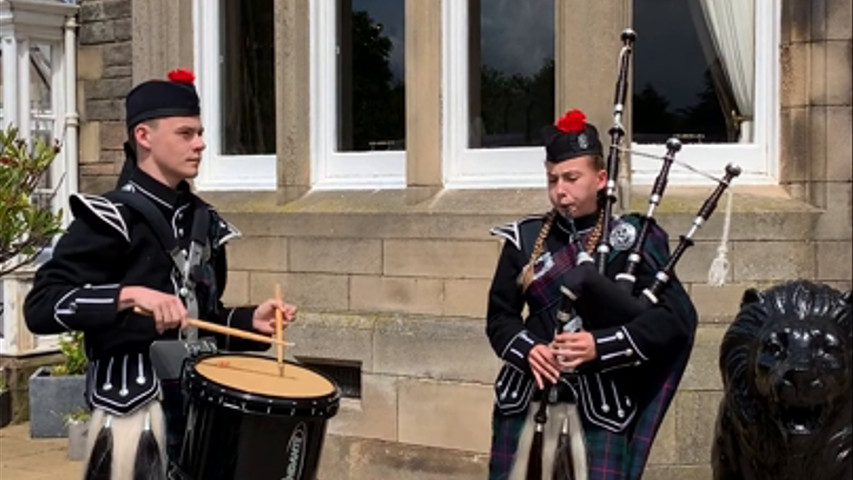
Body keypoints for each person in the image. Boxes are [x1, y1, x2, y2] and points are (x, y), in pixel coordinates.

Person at [24, 69, 296, 480]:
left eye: (200, 132)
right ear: (144, 137)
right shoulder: (109, 218)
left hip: (198, 415)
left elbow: (197, 320)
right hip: (135, 421)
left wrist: (246, 322)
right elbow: (41, 307)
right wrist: (128, 295)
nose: (201, 144)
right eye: (186, 133)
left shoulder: (205, 222)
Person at [485, 109, 697, 479]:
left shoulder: (633, 239)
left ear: (600, 179)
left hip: (600, 406)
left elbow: (674, 320)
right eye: (552, 179)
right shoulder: (525, 238)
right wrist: (528, 350)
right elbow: (500, 318)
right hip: (524, 401)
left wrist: (601, 345)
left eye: (571, 178)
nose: (559, 190)